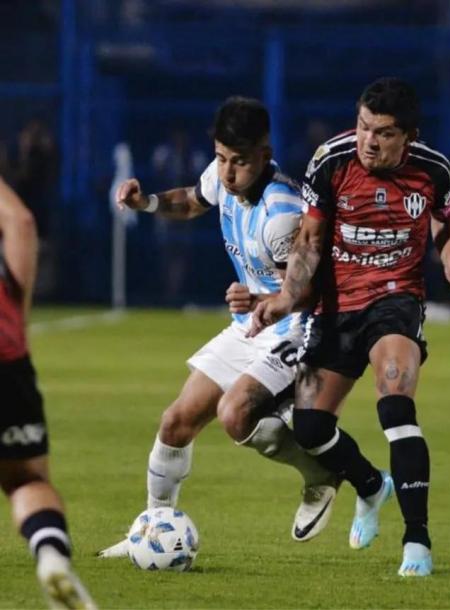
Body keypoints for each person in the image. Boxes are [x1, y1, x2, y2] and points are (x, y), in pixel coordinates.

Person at [250, 78, 450, 577]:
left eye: (383, 133)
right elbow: (310, 241)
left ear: (409, 137)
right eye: (363, 127)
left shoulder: (433, 168)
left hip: (396, 300)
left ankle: (417, 539)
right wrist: (287, 297)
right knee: (310, 428)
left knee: (395, 399)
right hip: (336, 306)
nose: (368, 141)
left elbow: (444, 221)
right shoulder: (331, 160)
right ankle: (371, 486)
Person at [99, 97, 338, 558]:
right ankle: (150, 530)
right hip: (250, 325)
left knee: (235, 415)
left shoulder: (282, 214)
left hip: (294, 330)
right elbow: (192, 201)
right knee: (175, 423)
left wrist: (260, 301)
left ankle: (319, 474)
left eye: (239, 161)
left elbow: (311, 293)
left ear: (265, 155)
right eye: (221, 158)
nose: (227, 172)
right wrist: (146, 202)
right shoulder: (222, 175)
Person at [0, 177, 96, 609]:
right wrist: (16, 324)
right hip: (5, 350)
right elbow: (20, 222)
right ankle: (51, 555)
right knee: (25, 478)